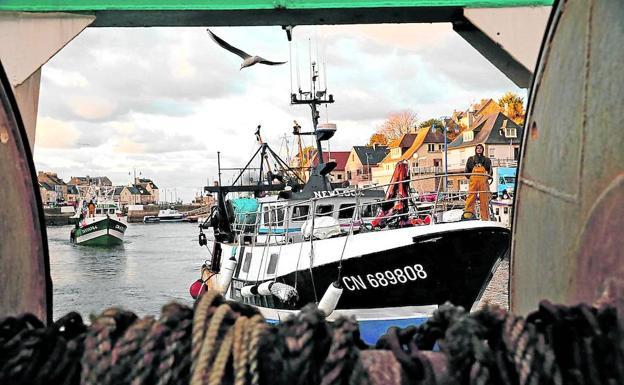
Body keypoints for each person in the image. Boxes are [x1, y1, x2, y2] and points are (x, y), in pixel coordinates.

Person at [463, 144, 492, 220]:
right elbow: (466, 172)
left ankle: (485, 218)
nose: (479, 149)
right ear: (475, 150)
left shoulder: (487, 160)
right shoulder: (470, 159)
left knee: (484, 200)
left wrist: (486, 178)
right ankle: (468, 216)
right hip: (473, 183)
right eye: (477, 148)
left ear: (483, 150)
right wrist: (472, 178)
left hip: (483, 183)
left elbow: (490, 172)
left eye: (480, 148)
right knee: (470, 199)